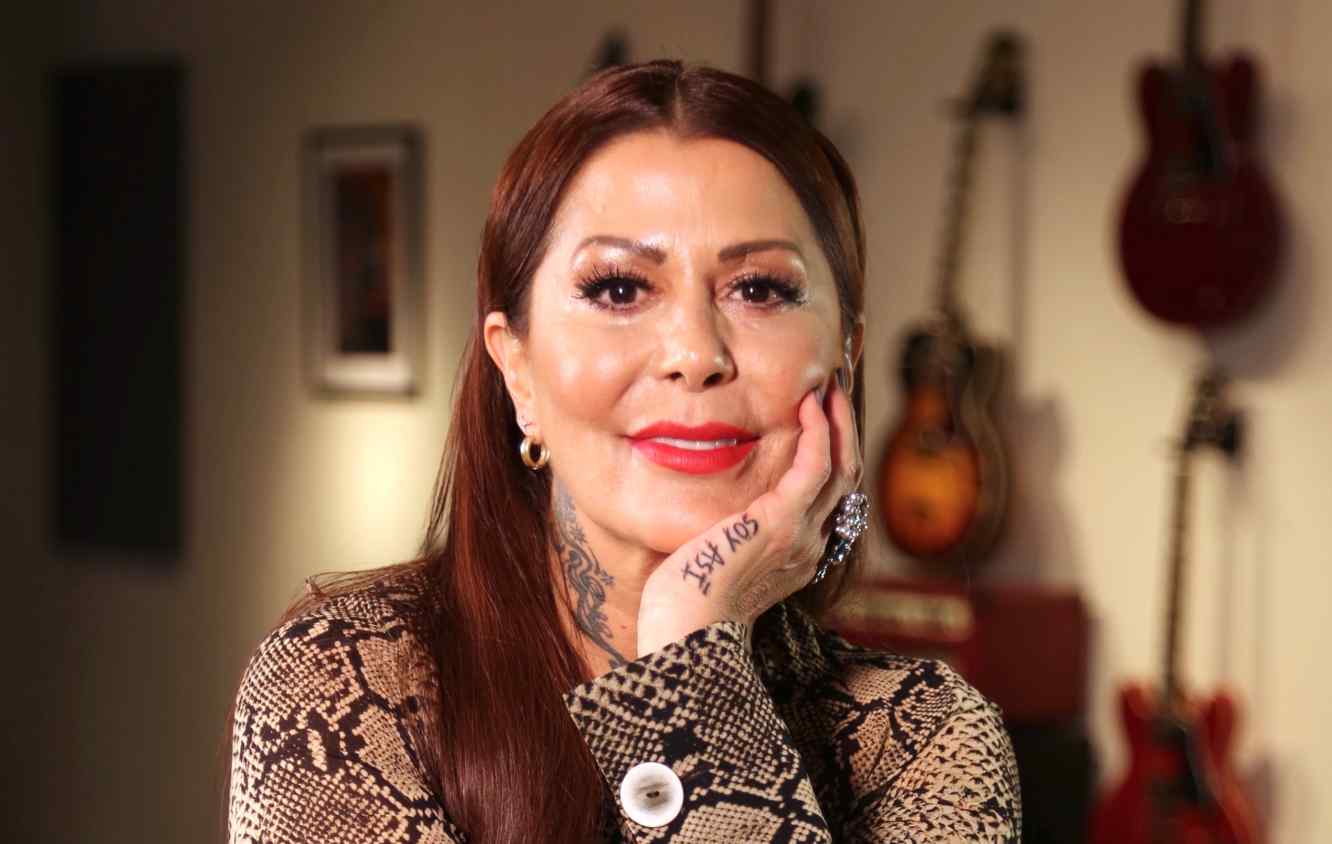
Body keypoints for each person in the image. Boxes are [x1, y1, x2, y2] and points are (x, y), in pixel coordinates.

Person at [227, 59, 1020, 843]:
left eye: (759, 289)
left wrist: (690, 647)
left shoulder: (928, 740)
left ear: (845, 356)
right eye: (619, 288)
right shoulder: (342, 688)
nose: (696, 354)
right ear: (518, 368)